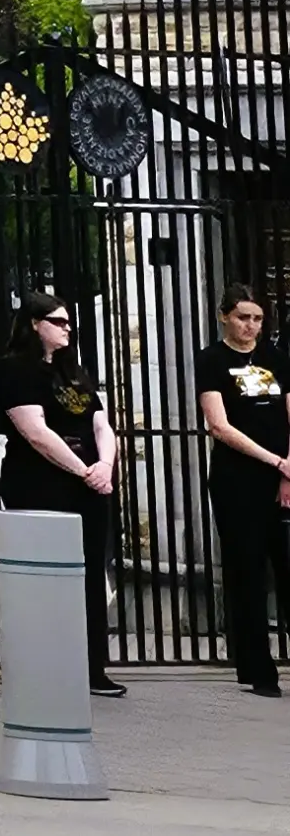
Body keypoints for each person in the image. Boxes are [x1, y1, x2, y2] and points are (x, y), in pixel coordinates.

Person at [2, 289, 126, 698]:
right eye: (58, 322)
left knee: (90, 572)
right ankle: (40, 666)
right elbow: (35, 432)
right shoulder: (16, 371)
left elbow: (101, 423)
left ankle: (93, 667)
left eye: (69, 322)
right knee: (46, 575)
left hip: (89, 482)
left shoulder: (74, 371)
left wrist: (104, 466)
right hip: (40, 483)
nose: (67, 329)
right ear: (35, 325)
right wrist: (83, 470)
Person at [203, 287, 290, 696]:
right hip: (238, 479)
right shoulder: (213, 360)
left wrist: (287, 470)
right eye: (242, 317)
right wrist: (272, 460)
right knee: (247, 570)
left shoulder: (276, 358)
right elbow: (219, 425)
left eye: (256, 318)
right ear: (224, 317)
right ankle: (259, 669)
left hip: (281, 478)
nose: (250, 325)